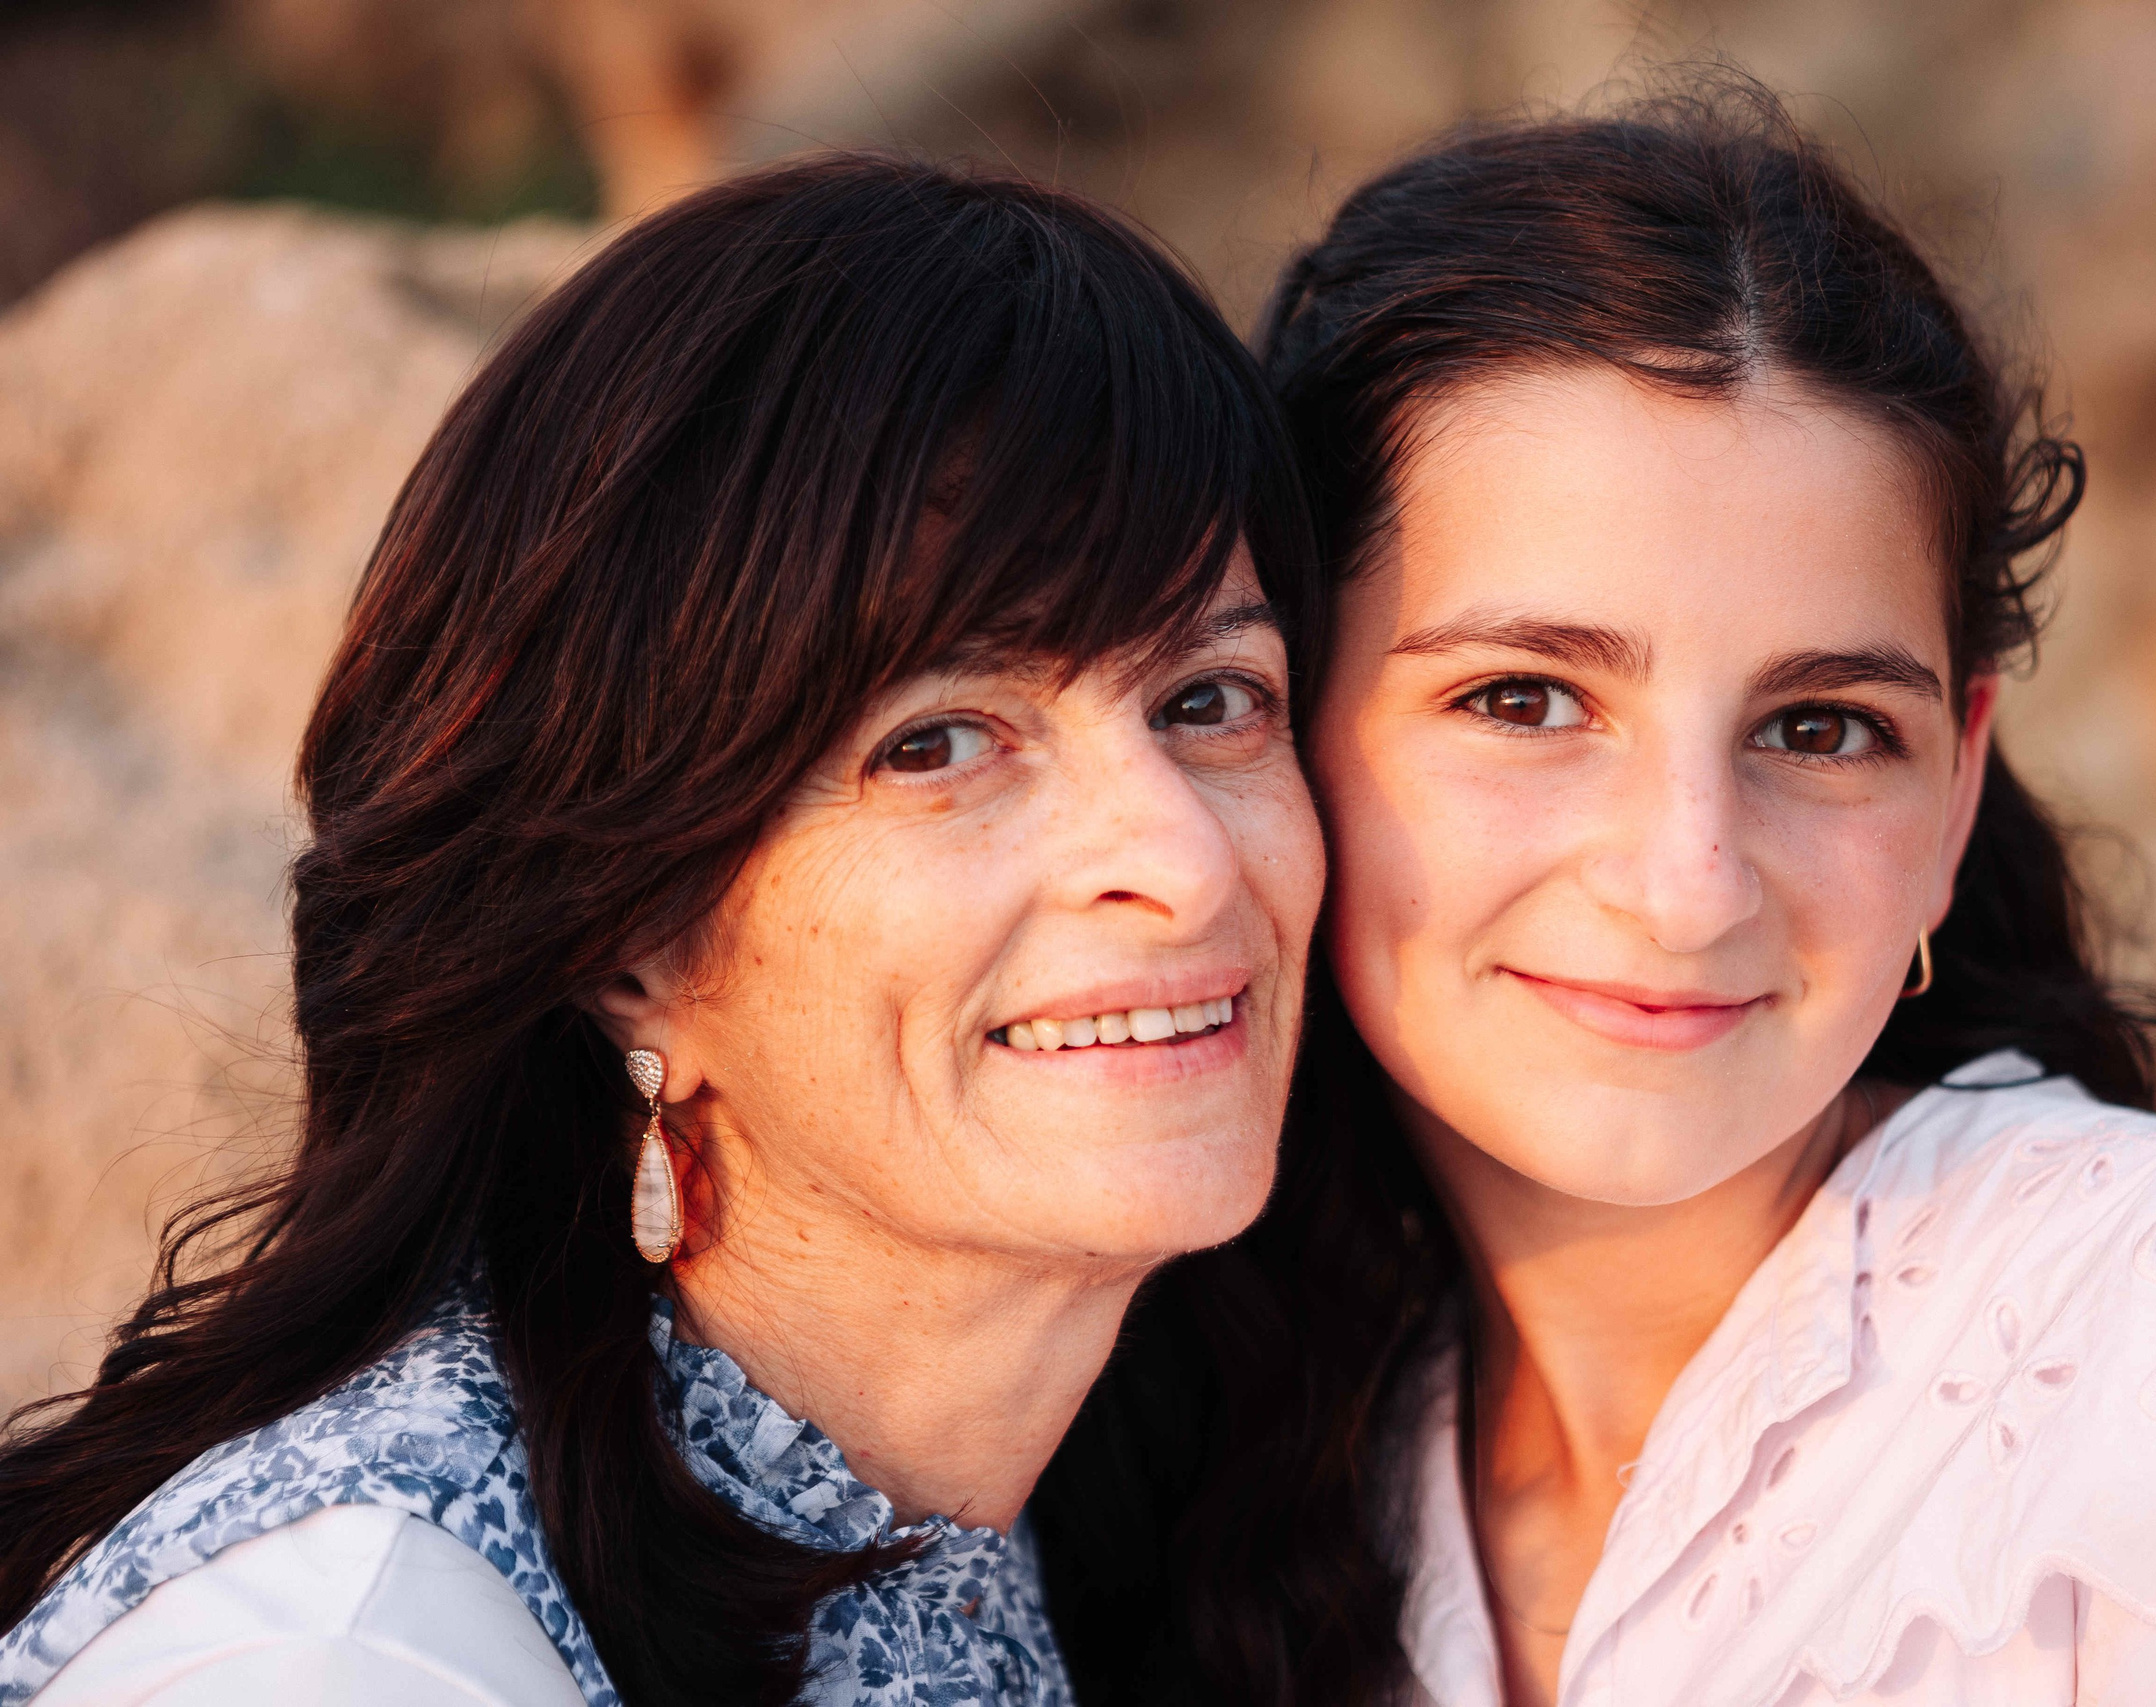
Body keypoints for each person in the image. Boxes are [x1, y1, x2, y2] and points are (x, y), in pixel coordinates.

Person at [1032, 87, 2156, 1707]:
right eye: (1527, 700)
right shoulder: (1261, 1473)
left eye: (1821, 730)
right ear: (1274, 721)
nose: (1687, 883)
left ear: (1960, 786)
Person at [0, 152, 1324, 1707]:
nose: (1178, 854)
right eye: (939, 740)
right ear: (631, 935)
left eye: (1208, 701)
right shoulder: (354, 1654)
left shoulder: (1045, 1517)